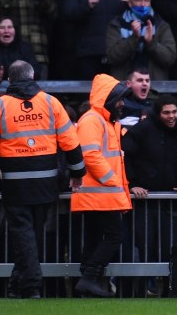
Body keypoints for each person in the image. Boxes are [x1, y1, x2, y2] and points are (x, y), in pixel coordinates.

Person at [0, 60, 85, 299]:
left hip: (15, 183)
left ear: (10, 80)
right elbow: (71, 142)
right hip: (47, 182)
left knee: (24, 235)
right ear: (33, 76)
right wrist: (77, 174)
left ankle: (31, 286)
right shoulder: (50, 102)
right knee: (31, 236)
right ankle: (18, 285)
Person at [71, 74, 133, 297]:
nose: (122, 103)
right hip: (101, 193)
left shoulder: (104, 121)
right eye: (119, 99)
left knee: (96, 237)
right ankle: (88, 279)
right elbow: (90, 155)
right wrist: (112, 180)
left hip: (100, 194)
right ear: (108, 98)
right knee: (114, 236)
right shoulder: (93, 120)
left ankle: (86, 283)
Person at [121, 94, 177, 281]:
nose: (172, 116)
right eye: (166, 113)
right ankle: (144, 287)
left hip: (170, 202)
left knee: (170, 246)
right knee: (145, 245)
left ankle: (167, 288)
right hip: (144, 202)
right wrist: (132, 184)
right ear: (158, 114)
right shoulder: (142, 130)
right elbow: (124, 157)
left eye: (174, 112)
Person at [105, 0, 177, 81]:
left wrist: (151, 43)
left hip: (154, 88)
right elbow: (112, 56)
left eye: (146, 1)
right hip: (124, 86)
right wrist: (133, 38)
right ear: (130, 3)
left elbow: (170, 58)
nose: (143, 5)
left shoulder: (161, 25)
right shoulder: (116, 24)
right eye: (138, 0)